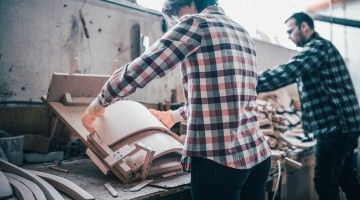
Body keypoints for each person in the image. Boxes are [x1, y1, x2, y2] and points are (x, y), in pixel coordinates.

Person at [82, 0, 271, 199]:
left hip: (219, 161)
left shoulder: (196, 24)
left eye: (177, 16)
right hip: (257, 156)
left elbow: (145, 67)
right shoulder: (242, 32)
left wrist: (101, 101)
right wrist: (173, 116)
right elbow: (227, 98)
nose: (179, 21)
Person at [257, 12, 360, 200]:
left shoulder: (317, 48)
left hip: (336, 128)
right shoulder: (321, 48)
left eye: (290, 31)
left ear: (304, 27)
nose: (288, 36)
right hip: (344, 127)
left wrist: (247, 81)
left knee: (324, 183)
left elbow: (288, 72)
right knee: (348, 180)